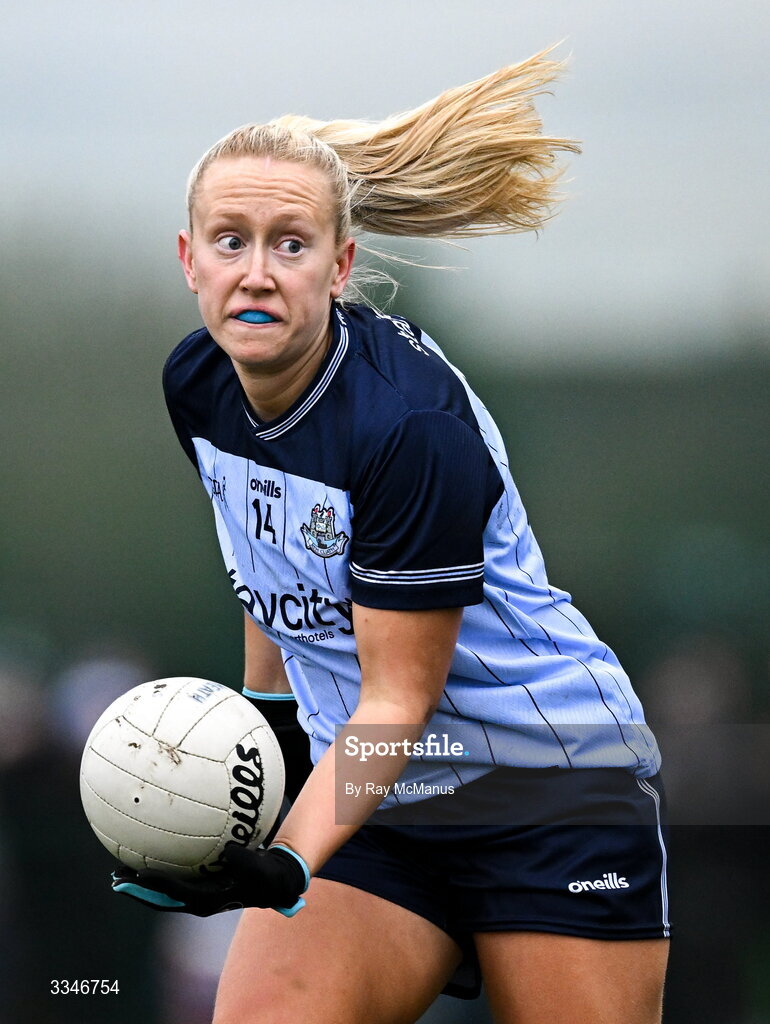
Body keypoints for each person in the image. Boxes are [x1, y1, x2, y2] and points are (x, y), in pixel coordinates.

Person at [112, 49, 670, 1024]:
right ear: (187, 257)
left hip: (543, 795)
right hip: (372, 805)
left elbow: (397, 701)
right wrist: (265, 749)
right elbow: (264, 568)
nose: (255, 271)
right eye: (229, 239)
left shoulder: (407, 428)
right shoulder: (196, 381)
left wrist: (279, 856)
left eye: (289, 244)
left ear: (341, 264)